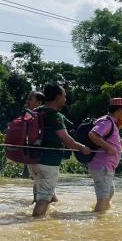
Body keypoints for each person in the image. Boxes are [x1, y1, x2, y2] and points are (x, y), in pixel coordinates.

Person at [30, 84, 92, 217]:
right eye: (64, 96)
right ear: (57, 97)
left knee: (47, 194)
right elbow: (67, 140)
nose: (65, 99)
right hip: (48, 162)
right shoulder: (55, 116)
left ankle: (49, 217)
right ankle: (34, 224)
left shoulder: (35, 111)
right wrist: (83, 148)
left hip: (32, 159)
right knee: (44, 197)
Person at [87, 97, 122, 213]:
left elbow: (118, 140)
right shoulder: (107, 122)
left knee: (110, 192)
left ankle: (102, 214)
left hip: (106, 167)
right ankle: (98, 220)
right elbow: (93, 134)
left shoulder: (113, 123)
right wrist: (108, 147)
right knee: (103, 198)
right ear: (119, 110)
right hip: (102, 166)